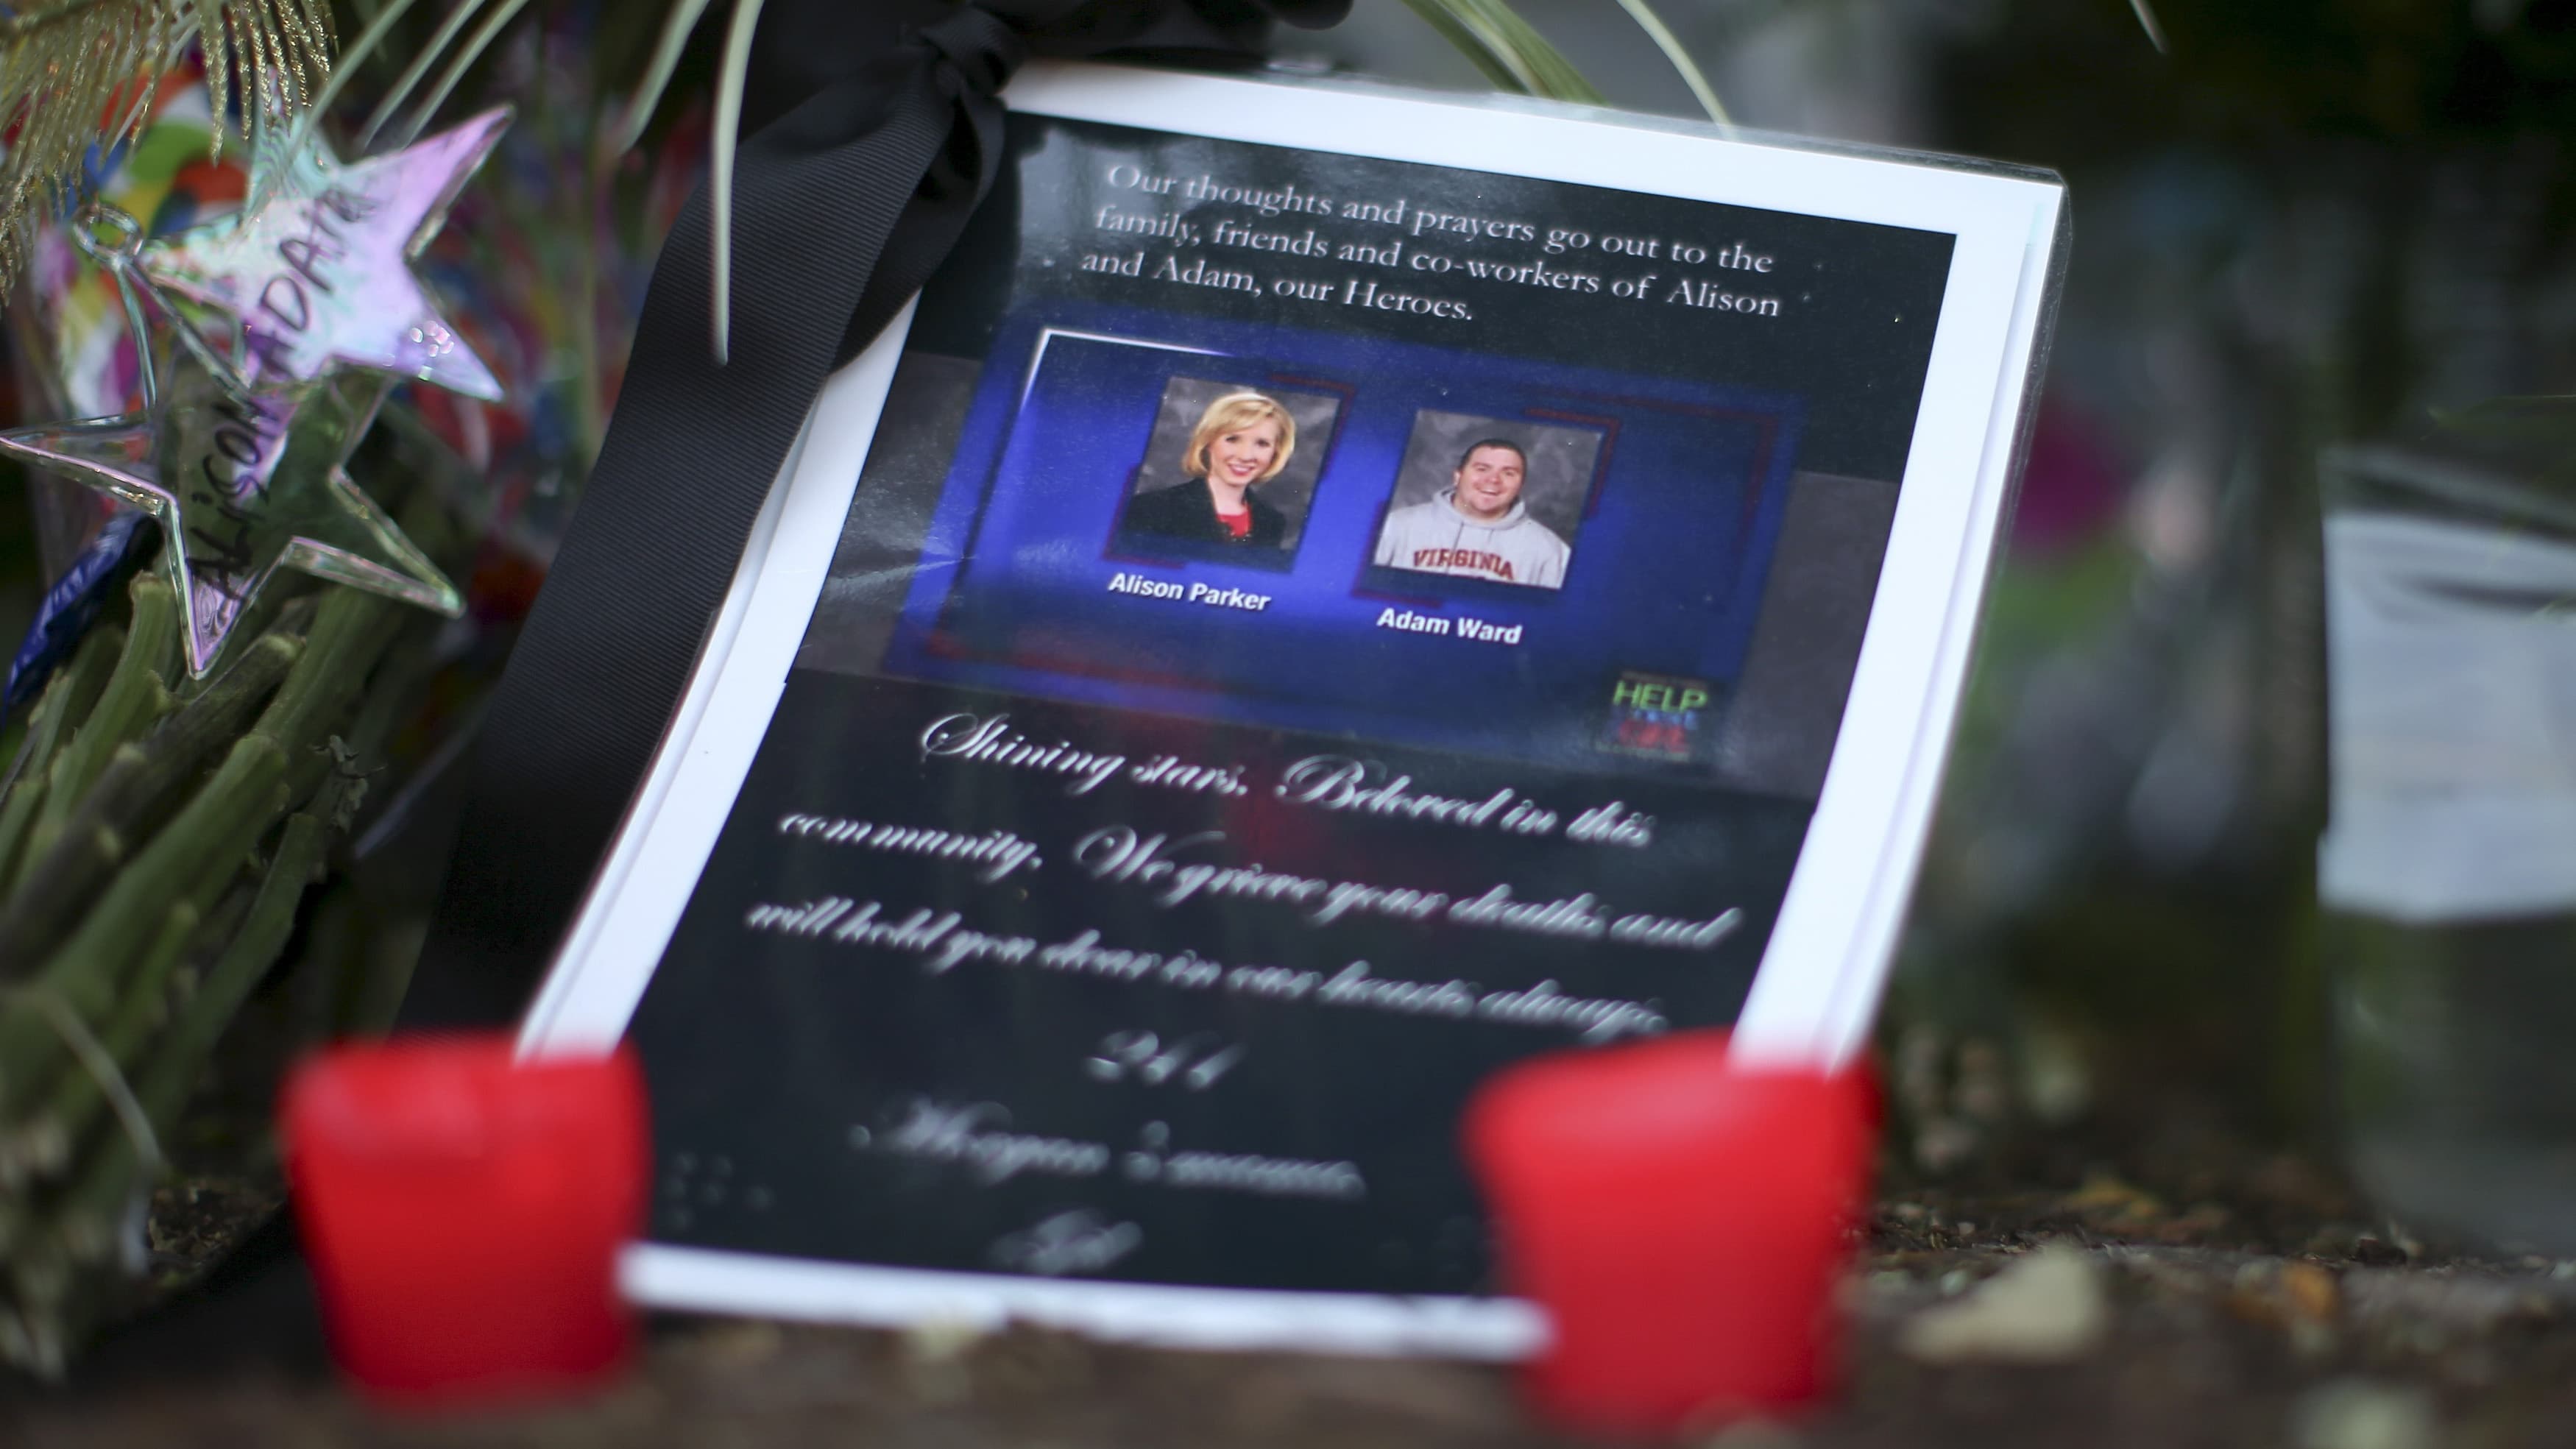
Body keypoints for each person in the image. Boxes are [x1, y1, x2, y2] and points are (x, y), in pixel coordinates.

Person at [1371, 437, 1571, 589]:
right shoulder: (1396, 526)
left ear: (1520, 485)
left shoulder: (1550, 550)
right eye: (1482, 469)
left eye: (1508, 473)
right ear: (1458, 477)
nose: (1494, 480)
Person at [1118, 390, 1297, 550]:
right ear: (1208, 442)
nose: (1245, 455)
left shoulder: (1272, 521)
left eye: (1262, 444)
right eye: (1233, 439)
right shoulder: (1151, 508)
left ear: (1276, 452)